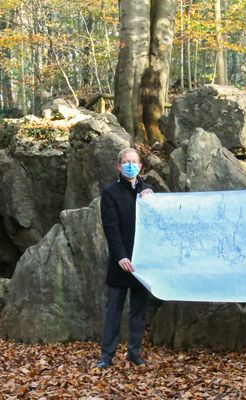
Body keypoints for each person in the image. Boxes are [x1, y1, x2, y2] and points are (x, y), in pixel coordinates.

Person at [96, 148, 154, 369]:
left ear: (140, 166)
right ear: (119, 166)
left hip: (142, 263)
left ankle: (134, 352)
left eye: (134, 162)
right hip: (120, 263)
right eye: (126, 162)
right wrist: (120, 256)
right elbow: (111, 228)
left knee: (138, 311)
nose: (131, 165)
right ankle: (106, 356)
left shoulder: (147, 191)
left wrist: (148, 191)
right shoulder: (110, 193)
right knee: (114, 311)